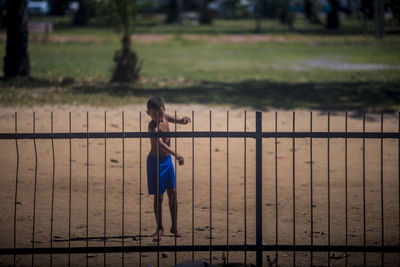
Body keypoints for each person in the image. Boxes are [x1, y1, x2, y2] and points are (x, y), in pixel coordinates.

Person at [146, 97, 191, 239]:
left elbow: (177, 119)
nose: (158, 117)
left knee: (172, 192)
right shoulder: (152, 126)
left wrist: (183, 120)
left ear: (164, 109)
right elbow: (159, 144)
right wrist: (176, 154)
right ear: (148, 113)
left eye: (160, 113)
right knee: (158, 196)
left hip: (167, 161)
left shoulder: (165, 117)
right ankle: (159, 228)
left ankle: (174, 227)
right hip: (155, 162)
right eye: (154, 114)